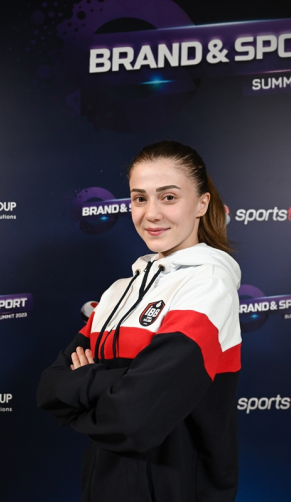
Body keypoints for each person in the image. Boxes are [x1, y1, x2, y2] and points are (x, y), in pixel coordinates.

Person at [37, 140, 242, 502]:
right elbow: (50, 390)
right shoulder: (119, 291)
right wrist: (121, 384)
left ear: (202, 204)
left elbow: (135, 419)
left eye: (168, 197)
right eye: (139, 198)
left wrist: (86, 383)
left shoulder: (208, 285)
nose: (151, 214)